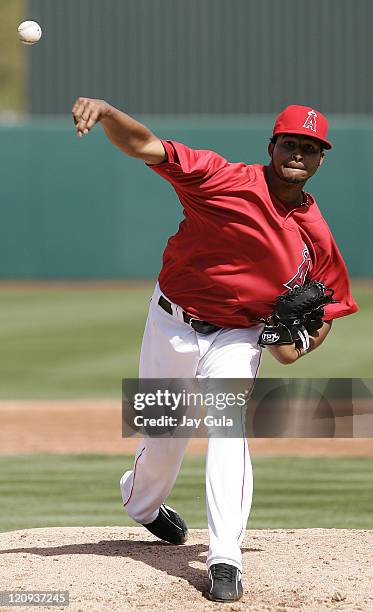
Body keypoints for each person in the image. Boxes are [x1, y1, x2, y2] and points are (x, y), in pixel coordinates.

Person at [71, 99, 358, 602]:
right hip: (170, 320)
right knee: (164, 436)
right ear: (272, 147)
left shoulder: (316, 236)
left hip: (238, 335)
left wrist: (301, 342)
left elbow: (326, 314)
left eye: (310, 148)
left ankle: (225, 555)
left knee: (229, 429)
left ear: (320, 160)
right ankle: (140, 503)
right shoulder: (222, 178)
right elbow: (145, 145)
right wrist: (108, 113)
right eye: (290, 142)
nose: (298, 152)